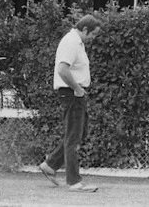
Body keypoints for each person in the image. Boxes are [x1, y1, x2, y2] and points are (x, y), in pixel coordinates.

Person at [39, 15, 101, 192]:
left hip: (75, 92)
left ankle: (50, 165)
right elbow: (62, 69)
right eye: (93, 34)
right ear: (85, 29)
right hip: (72, 92)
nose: (93, 38)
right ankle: (74, 182)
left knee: (80, 132)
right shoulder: (72, 42)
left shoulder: (77, 42)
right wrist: (77, 89)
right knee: (74, 136)